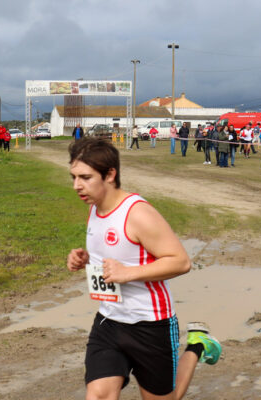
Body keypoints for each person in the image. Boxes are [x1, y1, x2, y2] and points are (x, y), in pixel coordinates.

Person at [65, 138, 222, 400]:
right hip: (109, 321)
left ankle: (196, 345)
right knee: (98, 395)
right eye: (73, 177)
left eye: (85, 177)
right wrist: (84, 258)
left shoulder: (137, 213)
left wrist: (128, 273)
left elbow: (181, 261)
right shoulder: (94, 207)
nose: (76, 186)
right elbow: (115, 251)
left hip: (150, 325)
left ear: (110, 174)